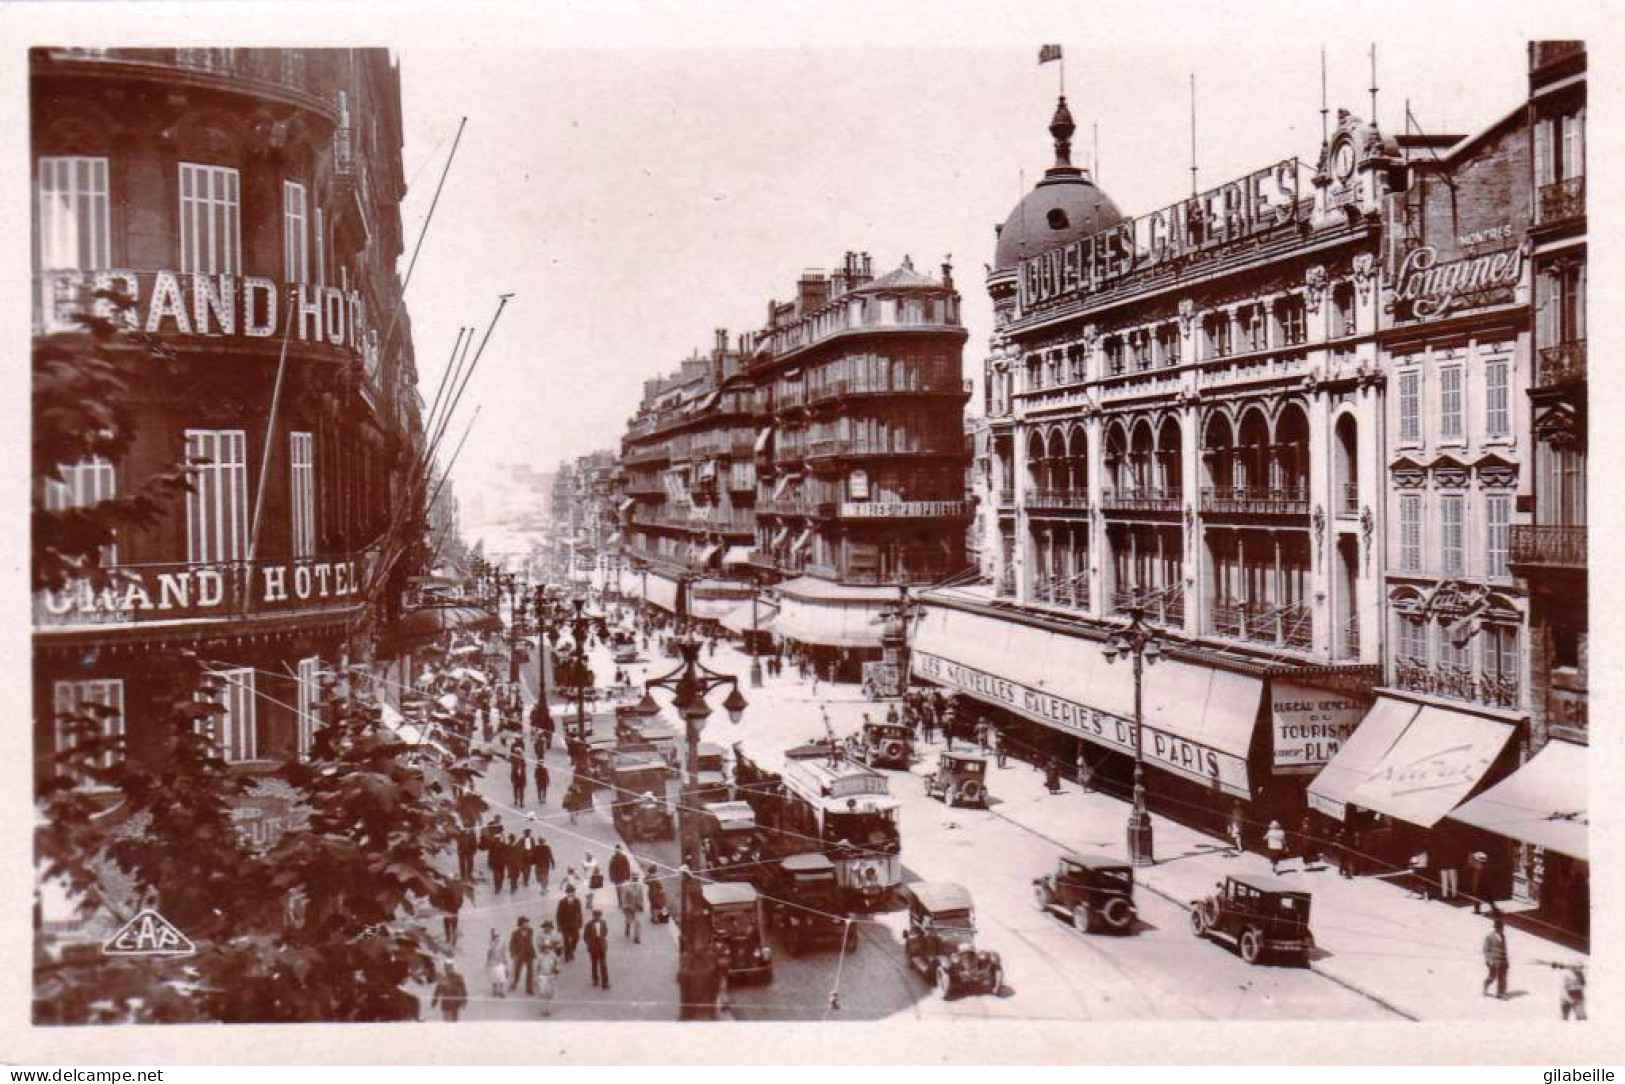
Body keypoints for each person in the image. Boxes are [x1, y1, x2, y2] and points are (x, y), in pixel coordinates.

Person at [535, 921, 562, 1018]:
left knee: (550, 993)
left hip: (551, 976)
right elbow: (537, 967)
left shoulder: (553, 955)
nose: (548, 928)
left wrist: (557, 970)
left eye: (549, 927)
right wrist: (536, 978)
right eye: (546, 927)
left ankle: (548, 1008)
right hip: (542, 976)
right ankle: (545, 1009)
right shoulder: (540, 956)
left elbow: (557, 964)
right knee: (543, 993)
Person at [431, 958, 468, 1023]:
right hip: (446, 1004)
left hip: (455, 1004)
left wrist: (464, 1001)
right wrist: (434, 1001)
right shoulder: (443, 978)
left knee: (453, 1023)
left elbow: (463, 990)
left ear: (453, 967)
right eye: (447, 967)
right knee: (447, 1023)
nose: (448, 969)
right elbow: (437, 991)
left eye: (450, 967)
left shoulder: (458, 978)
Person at [555, 884, 584, 963]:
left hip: (574, 925)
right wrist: (559, 925)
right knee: (566, 941)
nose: (571, 894)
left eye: (572, 892)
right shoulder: (562, 902)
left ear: (574, 893)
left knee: (576, 938)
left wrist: (580, 922)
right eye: (569, 892)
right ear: (566, 893)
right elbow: (559, 915)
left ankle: (570, 951)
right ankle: (567, 955)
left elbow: (579, 913)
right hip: (565, 925)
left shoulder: (577, 901)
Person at [584, 908, 612, 989]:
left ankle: (605, 982)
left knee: (603, 965)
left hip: (602, 946)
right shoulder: (589, 924)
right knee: (594, 964)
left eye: (598, 916)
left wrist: (602, 940)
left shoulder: (603, 923)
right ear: (593, 916)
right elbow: (585, 936)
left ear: (600, 916)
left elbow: (605, 932)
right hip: (593, 947)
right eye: (595, 915)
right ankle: (595, 979)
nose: (597, 917)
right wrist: (590, 944)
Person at [1482, 920, 1509, 999]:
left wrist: (1506, 961)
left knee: (1502, 976)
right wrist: (1488, 959)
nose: (1501, 929)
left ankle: (1500, 993)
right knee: (1492, 976)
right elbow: (1485, 949)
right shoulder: (1489, 936)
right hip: (1493, 960)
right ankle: (1486, 986)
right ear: (1496, 928)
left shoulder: (1503, 936)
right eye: (1500, 927)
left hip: (1502, 960)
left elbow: (1504, 948)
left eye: (1502, 927)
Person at [618, 873, 646, 943]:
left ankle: (637, 937)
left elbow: (641, 896)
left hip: (637, 906)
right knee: (629, 920)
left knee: (638, 922)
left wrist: (642, 905)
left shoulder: (640, 885)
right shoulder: (625, 886)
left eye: (637, 878)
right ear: (631, 878)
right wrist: (625, 907)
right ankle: (627, 926)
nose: (635, 879)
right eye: (634, 878)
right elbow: (623, 897)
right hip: (629, 907)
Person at [485, 928, 508, 999]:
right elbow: (489, 952)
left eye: (497, 935)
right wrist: (488, 962)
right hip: (492, 962)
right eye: (494, 935)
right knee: (493, 977)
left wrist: (505, 961)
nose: (496, 936)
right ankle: (494, 990)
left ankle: (501, 991)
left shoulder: (502, 941)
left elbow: (504, 952)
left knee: (501, 977)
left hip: (500, 962)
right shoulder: (490, 942)